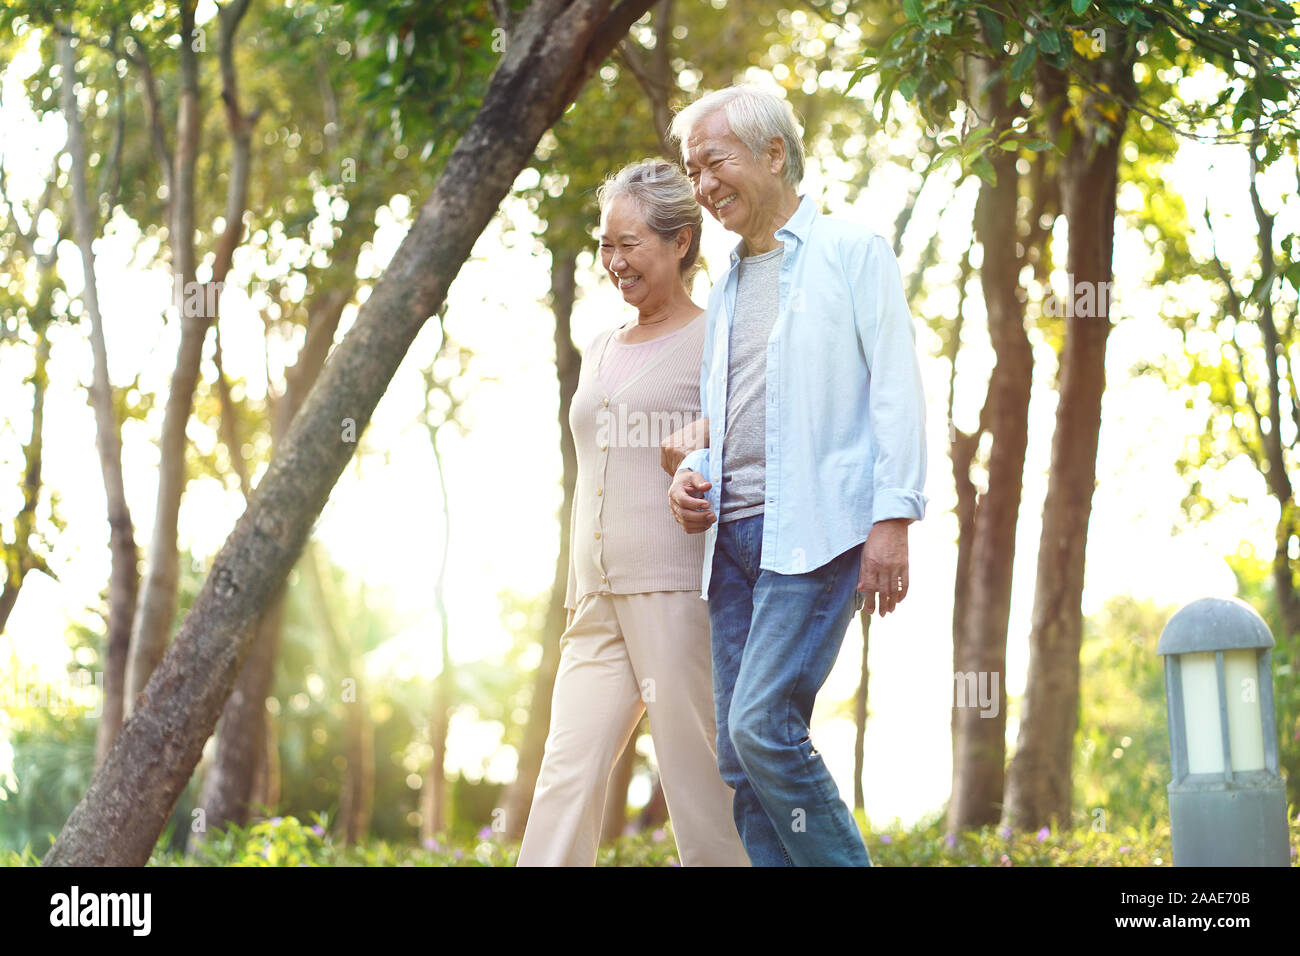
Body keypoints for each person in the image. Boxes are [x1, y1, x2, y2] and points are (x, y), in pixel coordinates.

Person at [665, 86, 929, 867]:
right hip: (734, 542)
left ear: (773, 153)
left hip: (814, 533)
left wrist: (894, 519)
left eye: (715, 164)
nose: (704, 187)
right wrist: (691, 471)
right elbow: (734, 412)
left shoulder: (852, 252)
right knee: (742, 761)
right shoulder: (728, 286)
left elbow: (895, 386)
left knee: (761, 727)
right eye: (693, 172)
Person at [516, 160, 750, 867]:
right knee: (565, 777)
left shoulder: (717, 339)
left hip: (677, 592)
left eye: (630, 243)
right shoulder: (599, 348)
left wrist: (703, 441)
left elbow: (754, 426)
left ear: (680, 241)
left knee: (698, 787)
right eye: (605, 244)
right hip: (594, 598)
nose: (614, 262)